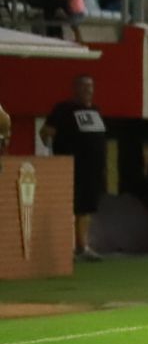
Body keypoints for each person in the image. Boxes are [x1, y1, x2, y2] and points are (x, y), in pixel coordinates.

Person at [41, 74, 108, 260]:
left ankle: (83, 247)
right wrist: (49, 155)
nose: (89, 90)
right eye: (84, 86)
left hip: (92, 171)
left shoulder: (95, 110)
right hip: (72, 168)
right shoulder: (64, 109)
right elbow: (46, 131)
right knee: (72, 208)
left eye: (91, 87)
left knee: (86, 209)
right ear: (75, 89)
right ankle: (68, 248)